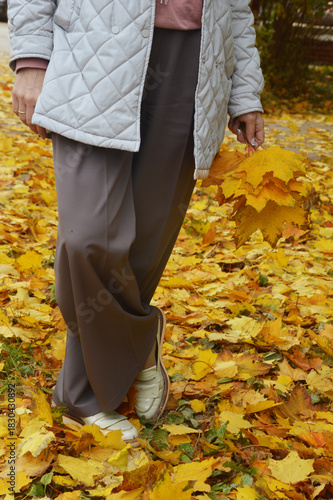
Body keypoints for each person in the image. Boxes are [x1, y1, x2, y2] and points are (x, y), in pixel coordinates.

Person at [8, 0, 265, 444]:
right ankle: (140, 341)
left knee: (142, 249)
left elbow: (236, 9)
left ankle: (81, 394)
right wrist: (32, 59)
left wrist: (244, 93)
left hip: (194, 63)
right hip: (94, 47)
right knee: (87, 239)